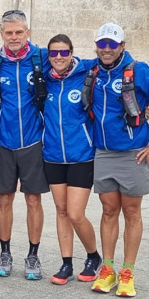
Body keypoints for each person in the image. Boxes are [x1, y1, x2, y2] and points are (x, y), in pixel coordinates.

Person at [86, 23, 149, 297]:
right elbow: (61, 59)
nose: (107, 49)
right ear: (97, 46)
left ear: (122, 45)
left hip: (132, 154)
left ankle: (127, 272)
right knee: (108, 210)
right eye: (102, 44)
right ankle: (108, 269)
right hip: (103, 153)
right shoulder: (94, 70)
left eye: (112, 44)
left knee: (132, 212)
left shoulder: (139, 70)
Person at [0, 9, 50, 280]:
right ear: (1, 34)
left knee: (33, 199)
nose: (14, 37)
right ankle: (5, 252)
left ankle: (33, 256)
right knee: (5, 199)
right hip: (3, 141)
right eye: (9, 32)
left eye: (19, 32)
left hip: (33, 141)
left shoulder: (42, 58)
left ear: (28, 33)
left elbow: (74, 70)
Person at [41, 34, 102, 285]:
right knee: (62, 210)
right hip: (53, 155)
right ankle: (66, 263)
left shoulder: (86, 74)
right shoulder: (46, 81)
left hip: (81, 155)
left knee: (76, 213)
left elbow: (111, 71)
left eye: (64, 53)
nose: (58, 57)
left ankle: (93, 256)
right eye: (53, 53)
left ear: (72, 53)